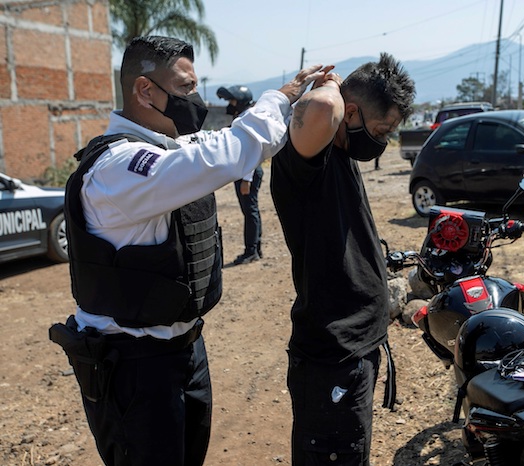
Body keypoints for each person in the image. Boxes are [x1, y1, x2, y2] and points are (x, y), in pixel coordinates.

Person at [48, 35, 325, 466]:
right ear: (144, 90)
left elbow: (218, 143)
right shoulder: (118, 168)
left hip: (183, 349)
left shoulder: (167, 148)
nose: (195, 99)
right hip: (134, 365)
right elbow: (231, 153)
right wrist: (278, 97)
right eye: (185, 88)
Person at [270, 53, 415, 465]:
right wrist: (330, 85)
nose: (382, 140)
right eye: (381, 129)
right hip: (331, 355)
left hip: (353, 352)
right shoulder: (304, 158)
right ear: (349, 111)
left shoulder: (341, 149)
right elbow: (320, 107)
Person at [216, 85, 263, 264]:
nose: (230, 104)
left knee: (250, 211)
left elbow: (251, 150)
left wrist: (246, 179)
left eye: (232, 101)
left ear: (241, 102)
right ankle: (256, 248)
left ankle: (251, 251)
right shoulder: (243, 117)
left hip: (247, 171)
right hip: (246, 170)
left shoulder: (247, 119)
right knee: (252, 211)